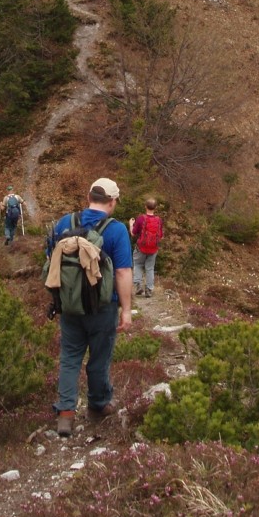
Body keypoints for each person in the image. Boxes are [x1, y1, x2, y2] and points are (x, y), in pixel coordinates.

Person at [50, 177, 133, 436]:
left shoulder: (65, 223)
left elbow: (52, 261)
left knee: (70, 356)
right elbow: (122, 272)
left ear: (89, 197)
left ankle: (65, 413)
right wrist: (126, 310)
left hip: (70, 305)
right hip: (103, 307)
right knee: (99, 357)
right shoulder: (116, 229)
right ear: (112, 201)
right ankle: (97, 404)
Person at [129, 198, 164, 298]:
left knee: (138, 264)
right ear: (155, 208)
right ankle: (149, 289)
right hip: (153, 248)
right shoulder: (159, 220)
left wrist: (131, 224)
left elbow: (133, 233)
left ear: (145, 206)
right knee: (150, 268)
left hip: (141, 247)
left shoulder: (141, 218)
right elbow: (160, 235)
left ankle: (138, 286)